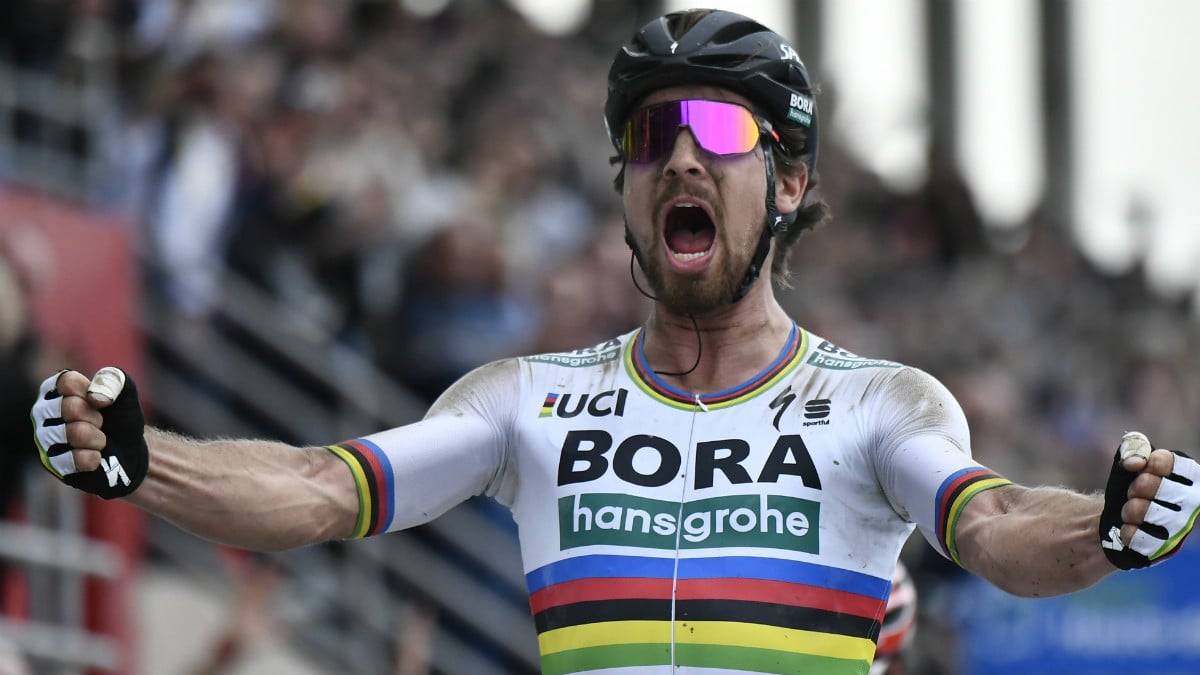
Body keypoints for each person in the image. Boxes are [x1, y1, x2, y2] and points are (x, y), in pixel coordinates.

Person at [29, 9, 1200, 675]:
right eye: (649, 136)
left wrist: (1108, 529)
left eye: (716, 128)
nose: (679, 157)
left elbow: (995, 525)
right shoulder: (523, 398)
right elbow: (317, 487)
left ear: (789, 183)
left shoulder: (881, 403)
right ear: (624, 185)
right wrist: (145, 460)